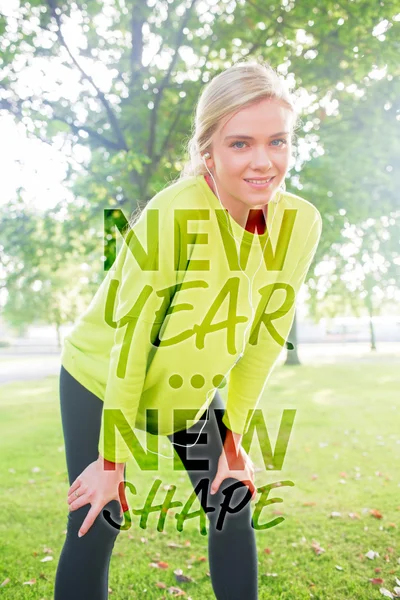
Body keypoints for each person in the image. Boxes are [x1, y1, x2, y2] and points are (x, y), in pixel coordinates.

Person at [54, 59, 322, 600]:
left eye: (278, 142)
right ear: (208, 151)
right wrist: (111, 462)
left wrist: (233, 440)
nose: (264, 162)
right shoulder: (173, 215)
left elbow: (265, 340)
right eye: (241, 144)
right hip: (101, 376)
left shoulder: (301, 224)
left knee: (232, 500)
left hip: (185, 391)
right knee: (97, 517)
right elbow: (131, 343)